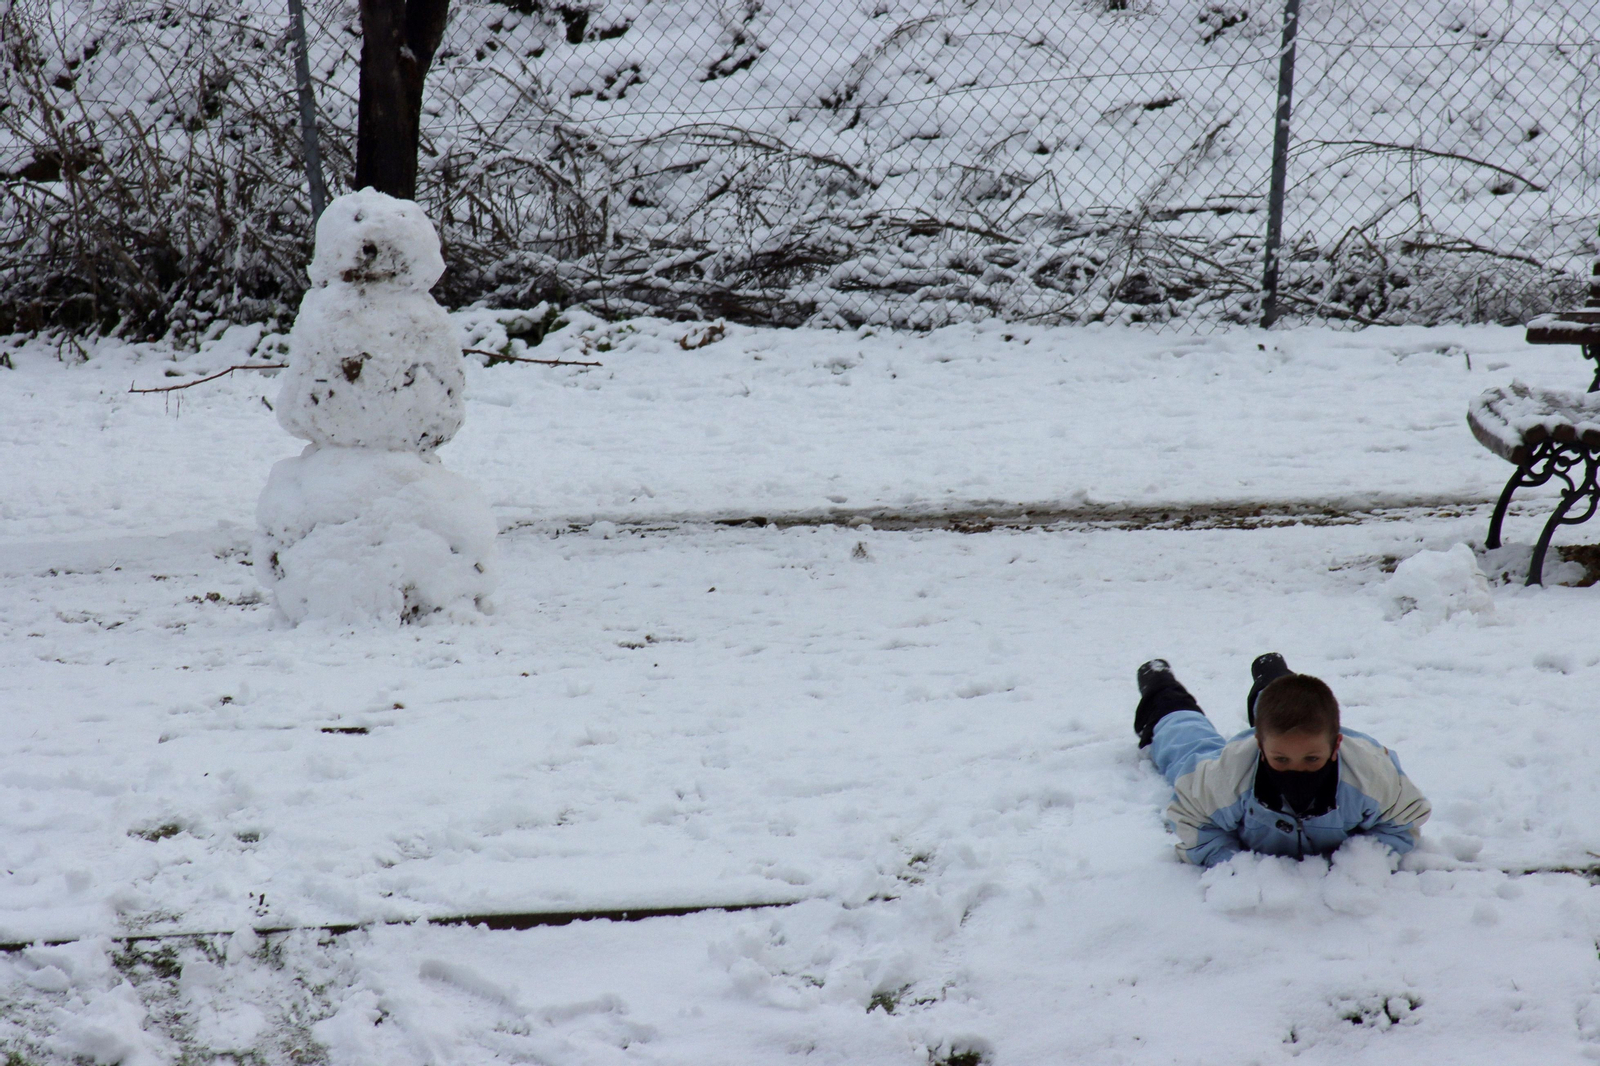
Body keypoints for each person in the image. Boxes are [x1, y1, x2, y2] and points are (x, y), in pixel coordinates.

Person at [1133, 654, 1430, 868]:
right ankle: (1161, 690)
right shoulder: (1230, 772)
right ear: (1260, 746)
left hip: (1302, 736)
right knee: (1188, 747)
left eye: (1312, 759)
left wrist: (1356, 865)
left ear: (1336, 745)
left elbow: (1403, 823)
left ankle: (1273, 677)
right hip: (1250, 756)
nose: (1297, 770)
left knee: (1294, 708)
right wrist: (1236, 867)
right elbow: (1193, 819)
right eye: (1281, 760)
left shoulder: (1369, 774)